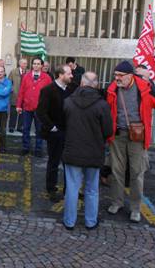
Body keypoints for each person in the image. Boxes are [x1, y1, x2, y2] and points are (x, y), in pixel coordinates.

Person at [106, 61, 155, 223]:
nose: (116, 79)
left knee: (137, 173)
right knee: (116, 171)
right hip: (117, 136)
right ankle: (116, 202)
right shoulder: (112, 89)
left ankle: (135, 208)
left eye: (120, 76)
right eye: (115, 75)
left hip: (138, 137)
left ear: (130, 76)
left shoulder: (145, 89)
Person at [62, 72, 113, 230]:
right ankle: (90, 221)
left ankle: (69, 221)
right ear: (96, 85)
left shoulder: (68, 102)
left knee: (72, 188)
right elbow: (108, 131)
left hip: (72, 151)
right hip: (93, 152)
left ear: (82, 84)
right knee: (92, 189)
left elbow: (63, 125)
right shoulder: (102, 104)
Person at [36, 64, 74, 202]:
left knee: (69, 163)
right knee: (54, 162)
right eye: (69, 73)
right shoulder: (48, 90)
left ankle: (69, 189)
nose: (72, 76)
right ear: (60, 75)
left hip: (69, 132)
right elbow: (41, 111)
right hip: (55, 133)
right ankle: (51, 189)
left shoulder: (71, 89)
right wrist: (52, 127)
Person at [16, 57, 52, 157]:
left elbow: (50, 94)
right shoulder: (26, 76)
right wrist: (19, 105)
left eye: (38, 64)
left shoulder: (47, 78)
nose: (36, 66)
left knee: (39, 130)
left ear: (42, 65)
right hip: (27, 108)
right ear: (32, 65)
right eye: (34, 64)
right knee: (25, 129)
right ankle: (25, 147)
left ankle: (38, 149)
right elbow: (21, 92)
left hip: (40, 109)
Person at [8, 58, 28, 133]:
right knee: (13, 112)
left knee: (22, 112)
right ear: (19, 64)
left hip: (25, 95)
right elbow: (9, 82)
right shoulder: (13, 72)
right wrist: (12, 89)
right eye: (23, 63)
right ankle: (11, 127)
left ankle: (20, 127)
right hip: (15, 94)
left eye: (26, 63)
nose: (25, 65)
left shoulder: (28, 72)